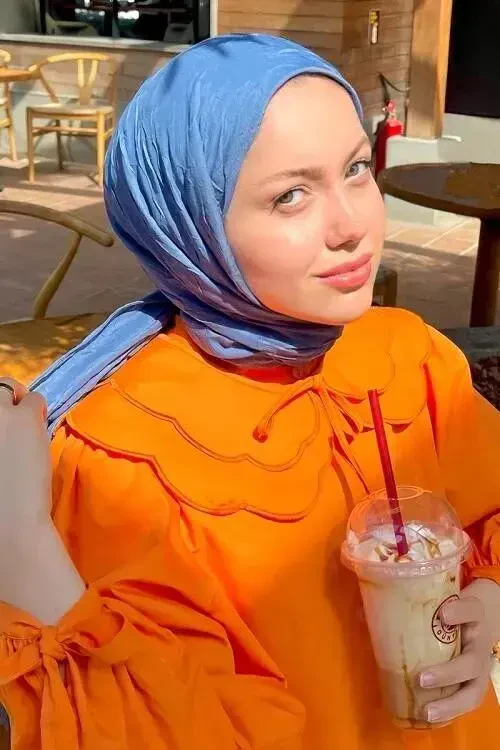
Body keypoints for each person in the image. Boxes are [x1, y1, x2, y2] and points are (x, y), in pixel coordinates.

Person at [0, 33, 498, 750]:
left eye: (357, 168)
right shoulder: (125, 454)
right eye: (290, 195)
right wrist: (21, 540)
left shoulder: (407, 357)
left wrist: (489, 601)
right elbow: (150, 728)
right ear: (189, 228)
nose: (352, 226)